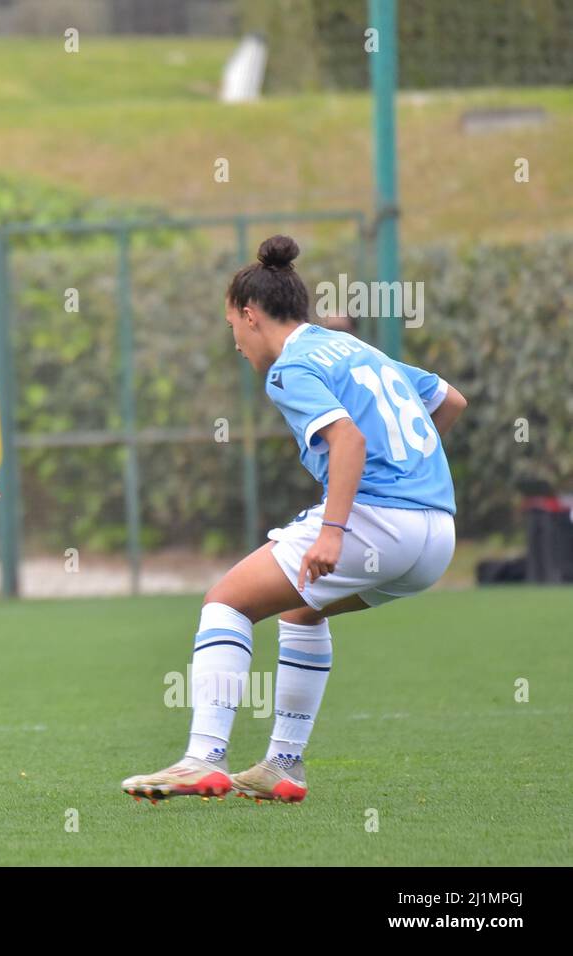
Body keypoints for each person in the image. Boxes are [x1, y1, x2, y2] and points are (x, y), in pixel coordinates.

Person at [121, 235, 467, 804]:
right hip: (435, 536)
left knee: (225, 601)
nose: (234, 340)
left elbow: (348, 438)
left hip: (377, 522)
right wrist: (412, 475)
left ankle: (202, 757)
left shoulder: (291, 368)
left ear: (251, 315)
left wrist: (334, 530)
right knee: (302, 607)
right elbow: (449, 401)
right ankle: (283, 764)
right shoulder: (356, 351)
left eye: (231, 323)